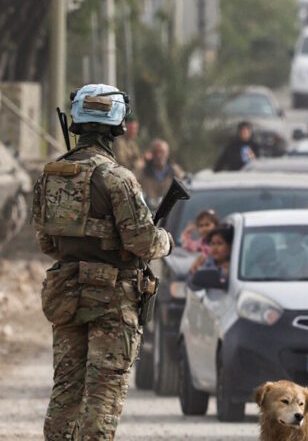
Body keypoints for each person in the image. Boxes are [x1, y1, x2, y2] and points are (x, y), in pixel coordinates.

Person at [32, 84, 174, 440]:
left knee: (66, 391)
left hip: (67, 293)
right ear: (118, 125)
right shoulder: (118, 178)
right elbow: (142, 240)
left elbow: (47, 241)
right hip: (113, 299)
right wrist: (166, 242)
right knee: (103, 396)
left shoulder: (51, 175)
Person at [137, 139, 185, 209]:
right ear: (152, 154)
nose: (159, 155)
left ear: (167, 153)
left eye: (162, 152)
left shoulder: (175, 171)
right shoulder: (143, 170)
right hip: (147, 210)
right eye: (156, 152)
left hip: (169, 212)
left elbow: (185, 185)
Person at [183, 210, 220, 274]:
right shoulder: (201, 242)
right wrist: (186, 233)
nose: (204, 228)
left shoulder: (220, 240)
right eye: (201, 226)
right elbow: (189, 246)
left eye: (207, 225)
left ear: (215, 225)